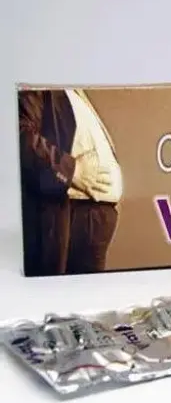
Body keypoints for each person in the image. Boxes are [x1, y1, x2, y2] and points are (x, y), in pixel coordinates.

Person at [18, 88, 123, 276]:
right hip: (68, 215)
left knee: (87, 294)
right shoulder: (40, 86)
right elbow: (20, 136)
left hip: (94, 219)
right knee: (60, 292)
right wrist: (73, 170)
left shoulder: (75, 91)